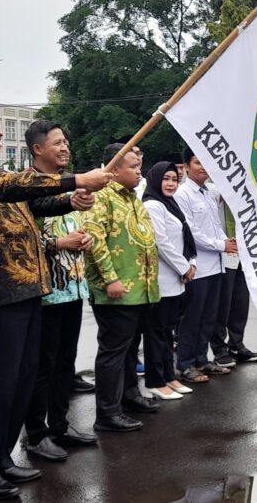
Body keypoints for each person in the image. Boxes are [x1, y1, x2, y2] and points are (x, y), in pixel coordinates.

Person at [0, 96, 113, 500]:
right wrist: (77, 179)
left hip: (27, 290)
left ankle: (0, 458)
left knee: (20, 381)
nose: (0, 132)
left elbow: (32, 204)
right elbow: (14, 186)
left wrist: (70, 199)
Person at [22, 121, 98, 462]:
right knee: (43, 365)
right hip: (45, 292)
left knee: (65, 362)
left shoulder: (70, 185)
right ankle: (36, 435)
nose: (65, 147)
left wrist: (85, 238)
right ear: (38, 149)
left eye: (66, 141)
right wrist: (56, 243)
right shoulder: (24, 186)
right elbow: (21, 238)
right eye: (57, 142)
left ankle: (60, 425)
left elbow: (76, 226)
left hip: (72, 287)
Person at [83, 143, 161, 432]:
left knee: (130, 349)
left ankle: (130, 395)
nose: (138, 170)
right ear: (113, 170)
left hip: (139, 289)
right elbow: (95, 241)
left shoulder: (131, 197)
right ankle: (107, 412)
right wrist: (110, 279)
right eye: (132, 166)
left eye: (139, 165)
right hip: (116, 289)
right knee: (113, 351)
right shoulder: (100, 197)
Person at [174, 147, 236, 381]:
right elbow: (191, 231)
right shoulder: (183, 194)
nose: (203, 167)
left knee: (210, 316)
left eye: (206, 162)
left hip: (216, 266)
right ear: (187, 167)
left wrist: (225, 241)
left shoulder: (208, 193)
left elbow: (215, 225)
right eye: (198, 162)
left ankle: (202, 359)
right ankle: (186, 364)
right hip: (197, 267)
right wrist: (221, 245)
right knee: (192, 318)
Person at [142, 161, 197, 400]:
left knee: (167, 333)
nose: (171, 183)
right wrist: (185, 267)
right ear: (154, 179)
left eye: (174, 179)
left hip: (176, 280)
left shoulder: (170, 204)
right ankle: (155, 380)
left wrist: (191, 263)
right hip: (161, 279)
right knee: (156, 333)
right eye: (166, 179)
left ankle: (169, 375)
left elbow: (185, 237)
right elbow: (161, 242)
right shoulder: (153, 205)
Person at [211, 198, 257, 366]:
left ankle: (236, 344)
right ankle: (219, 349)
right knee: (222, 306)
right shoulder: (213, 191)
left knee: (240, 303)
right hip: (222, 252)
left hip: (244, 253)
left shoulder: (243, 192)